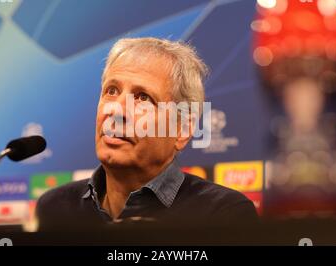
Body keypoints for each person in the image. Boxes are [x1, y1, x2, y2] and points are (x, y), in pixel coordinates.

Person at [36, 37, 257, 231]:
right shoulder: (54, 209)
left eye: (142, 97)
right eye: (111, 91)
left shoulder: (222, 215)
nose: (116, 111)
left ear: (182, 130)